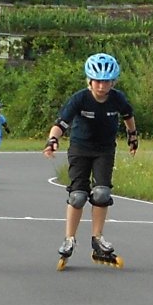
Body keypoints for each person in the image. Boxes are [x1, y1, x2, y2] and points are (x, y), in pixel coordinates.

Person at [43, 53, 137, 269]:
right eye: (97, 81)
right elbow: (61, 123)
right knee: (78, 196)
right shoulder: (80, 99)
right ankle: (69, 238)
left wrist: (132, 136)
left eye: (106, 82)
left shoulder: (117, 98)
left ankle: (97, 238)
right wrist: (52, 140)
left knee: (102, 193)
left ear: (113, 82)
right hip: (80, 149)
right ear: (89, 81)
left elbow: (128, 115)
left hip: (104, 150)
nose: (102, 86)